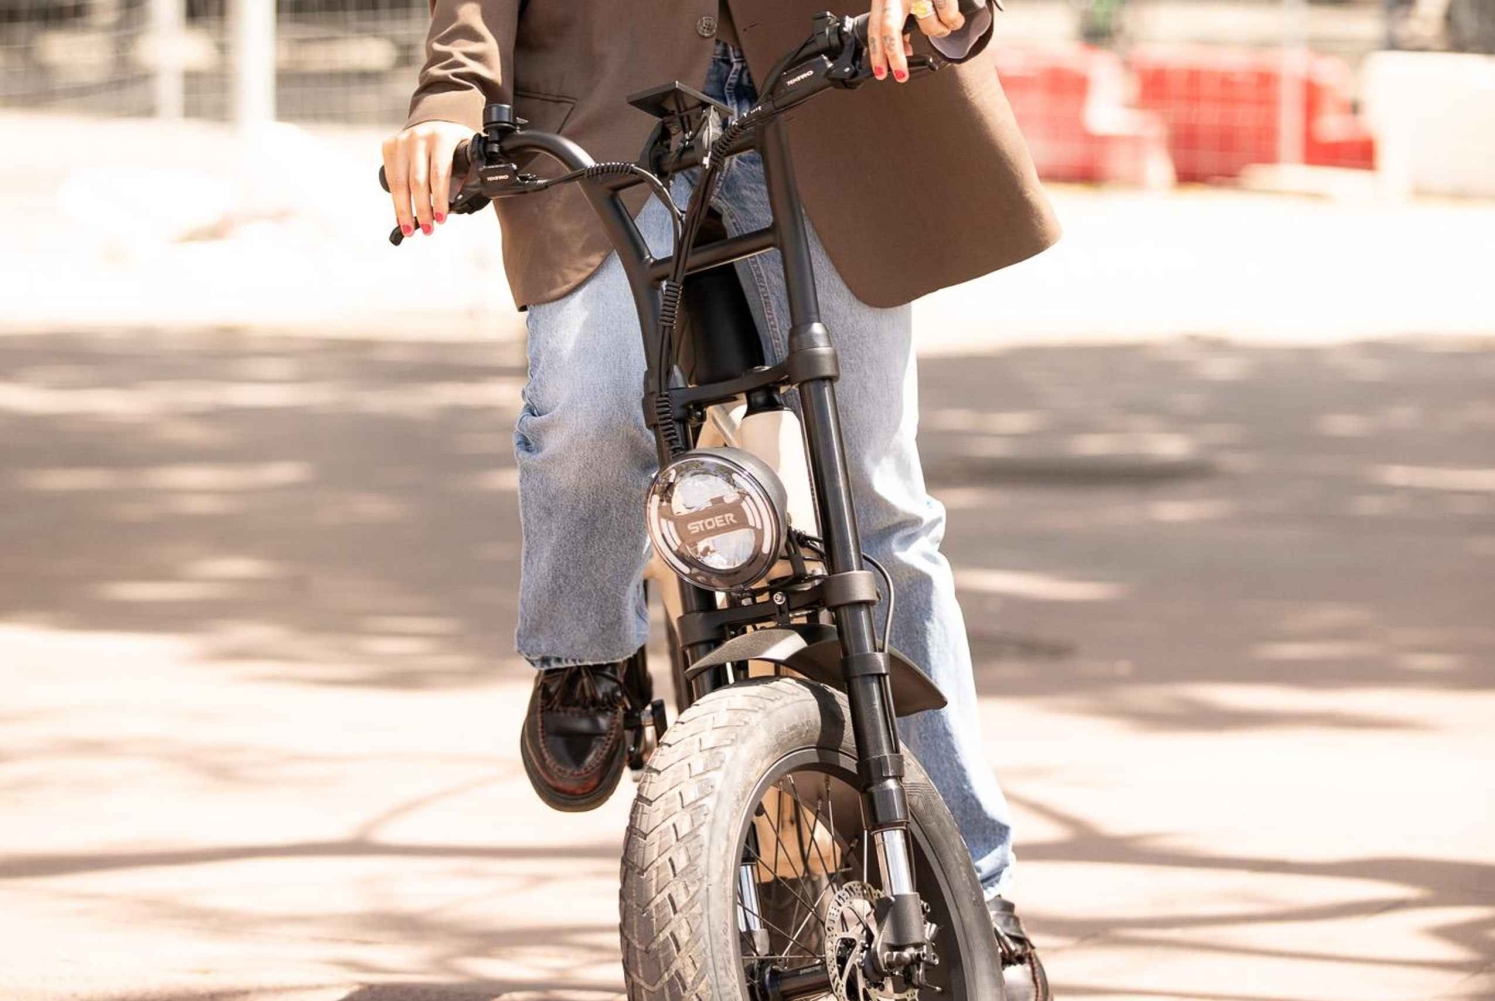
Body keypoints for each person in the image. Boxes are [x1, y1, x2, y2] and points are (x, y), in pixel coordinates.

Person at [383, 1, 1060, 994]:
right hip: (608, 108)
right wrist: (452, 95)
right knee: (586, 413)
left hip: (829, 85)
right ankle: (584, 654)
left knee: (878, 501)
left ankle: (972, 877)